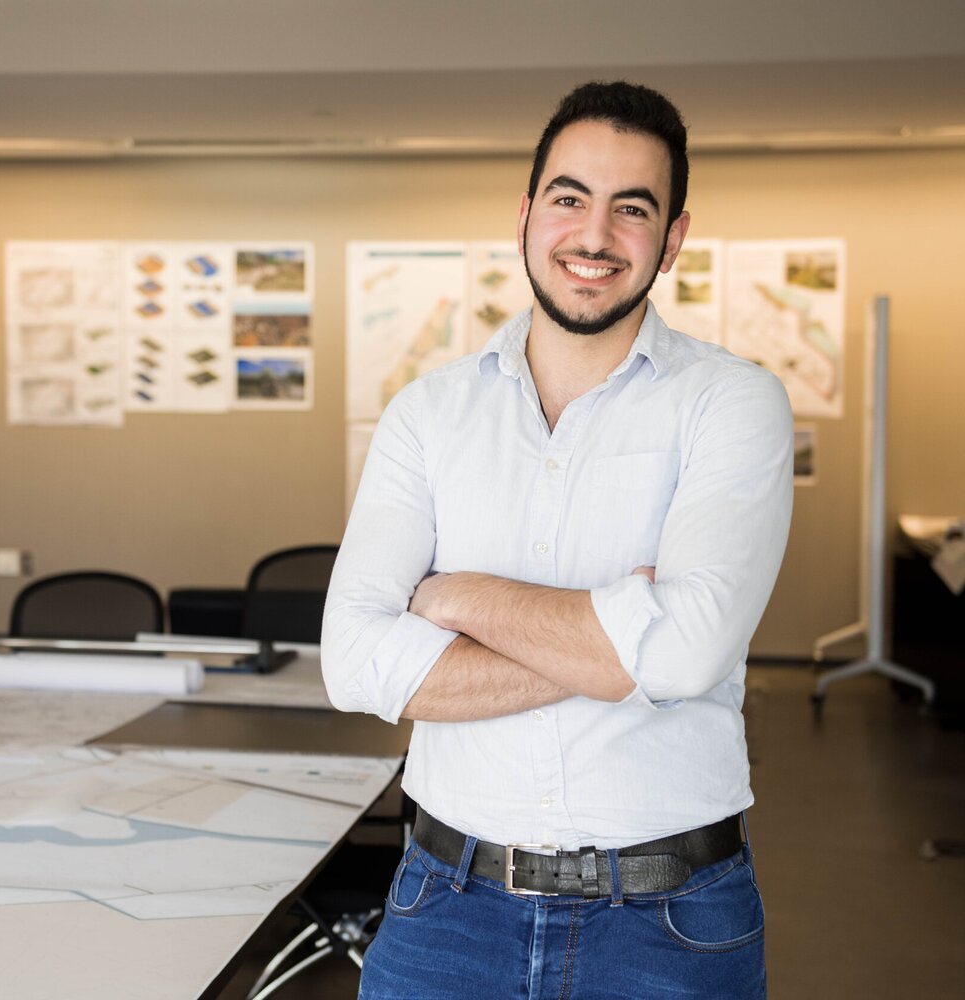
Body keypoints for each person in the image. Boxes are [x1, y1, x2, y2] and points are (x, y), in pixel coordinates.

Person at [322, 80, 793, 1000]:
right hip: (444, 913)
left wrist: (457, 599)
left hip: (666, 926)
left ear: (673, 237)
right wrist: (625, 637)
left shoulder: (732, 403)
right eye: (570, 198)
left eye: (632, 209)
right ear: (527, 213)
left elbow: (692, 653)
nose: (593, 235)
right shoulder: (429, 414)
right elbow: (354, 663)